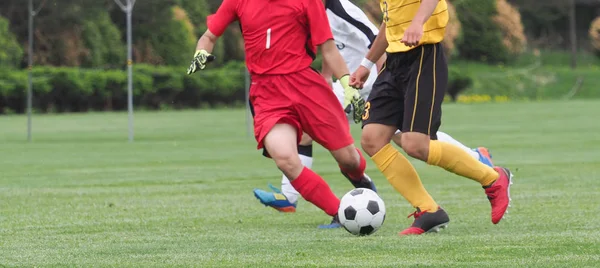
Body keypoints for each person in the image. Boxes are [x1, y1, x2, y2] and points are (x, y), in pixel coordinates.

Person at [253, 0, 495, 228]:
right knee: (400, 136)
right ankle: (475, 156)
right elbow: (329, 45)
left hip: (371, 77)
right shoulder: (308, 7)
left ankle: (300, 197)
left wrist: (385, 79)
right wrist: (327, 77)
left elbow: (373, 36)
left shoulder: (339, 8)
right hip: (352, 80)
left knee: (407, 137)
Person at [187, 0, 371, 225]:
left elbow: (329, 50)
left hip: (307, 87)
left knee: (349, 159)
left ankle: (360, 180)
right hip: (267, 93)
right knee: (285, 159)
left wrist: (347, 86)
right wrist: (201, 53)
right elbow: (209, 36)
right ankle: (340, 213)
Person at [351, 0, 513, 235]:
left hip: (424, 57)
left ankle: (493, 178)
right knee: (372, 139)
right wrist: (366, 63)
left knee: (415, 144)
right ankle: (428, 210)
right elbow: (391, 21)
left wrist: (418, 22)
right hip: (393, 62)